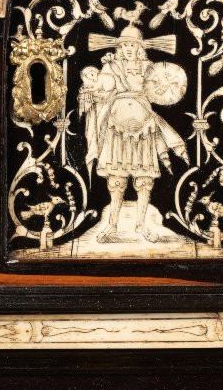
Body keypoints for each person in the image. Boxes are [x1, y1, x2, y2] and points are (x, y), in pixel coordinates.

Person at [79, 24, 188, 243]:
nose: (129, 48)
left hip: (144, 127)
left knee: (144, 180)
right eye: (126, 44)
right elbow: (104, 87)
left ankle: (141, 225)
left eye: (133, 44)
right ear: (120, 47)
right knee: (117, 180)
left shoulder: (150, 67)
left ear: (139, 47)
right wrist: (90, 89)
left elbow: (163, 90)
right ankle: (112, 225)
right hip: (116, 128)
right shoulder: (111, 66)